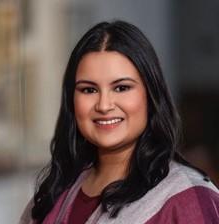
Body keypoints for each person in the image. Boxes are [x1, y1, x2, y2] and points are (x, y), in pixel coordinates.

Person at [20, 20, 219, 224]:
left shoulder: (186, 199)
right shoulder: (56, 191)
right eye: (89, 90)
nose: (104, 105)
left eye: (121, 88)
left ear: (151, 95)